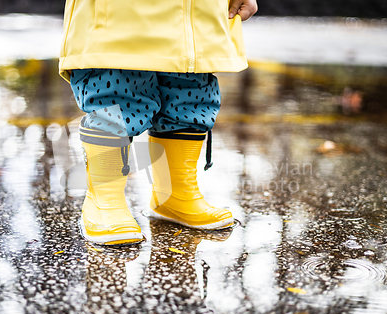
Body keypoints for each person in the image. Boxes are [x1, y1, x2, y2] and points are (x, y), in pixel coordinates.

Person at [59, 0, 258, 245]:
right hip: (120, 12)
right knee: (115, 94)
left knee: (189, 95)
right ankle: (104, 201)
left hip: (199, 12)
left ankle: (174, 196)